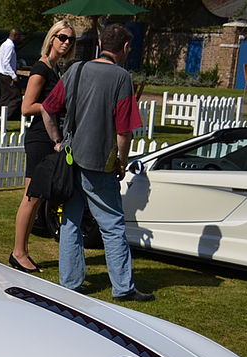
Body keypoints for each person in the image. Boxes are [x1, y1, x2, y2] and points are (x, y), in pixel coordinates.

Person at [41, 23, 151, 302]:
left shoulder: (75, 69)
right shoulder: (121, 77)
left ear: (101, 43)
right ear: (125, 47)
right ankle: (123, 287)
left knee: (70, 222)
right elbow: (123, 131)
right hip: (99, 161)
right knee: (112, 225)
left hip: (70, 158)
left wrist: (57, 140)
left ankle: (70, 283)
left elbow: (47, 108)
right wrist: (122, 161)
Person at [9, 20, 75, 275]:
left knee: (36, 199)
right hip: (39, 137)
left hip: (50, 136)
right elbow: (27, 107)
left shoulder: (55, 69)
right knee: (31, 197)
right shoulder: (41, 68)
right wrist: (56, 104)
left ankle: (22, 251)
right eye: (61, 37)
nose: (66, 42)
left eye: (70, 39)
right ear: (51, 38)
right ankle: (19, 252)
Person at [0, 28, 23, 122]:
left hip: (2, 74)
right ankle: (4, 118)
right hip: (7, 76)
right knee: (16, 97)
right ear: (15, 35)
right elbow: (6, 63)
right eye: (19, 36)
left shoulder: (4, 44)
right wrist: (13, 76)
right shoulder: (10, 46)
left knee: (4, 98)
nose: (20, 38)